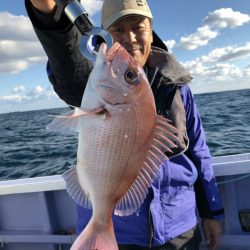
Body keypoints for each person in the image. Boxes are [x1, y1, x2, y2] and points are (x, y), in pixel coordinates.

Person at [25, 0, 224, 249]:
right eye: (118, 30)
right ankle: (100, 223)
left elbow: (199, 153)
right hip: (120, 234)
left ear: (151, 32)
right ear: (104, 36)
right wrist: (48, 9)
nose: (129, 38)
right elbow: (67, 61)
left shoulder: (178, 87)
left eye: (138, 27)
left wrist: (212, 213)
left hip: (180, 228)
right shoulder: (92, 75)